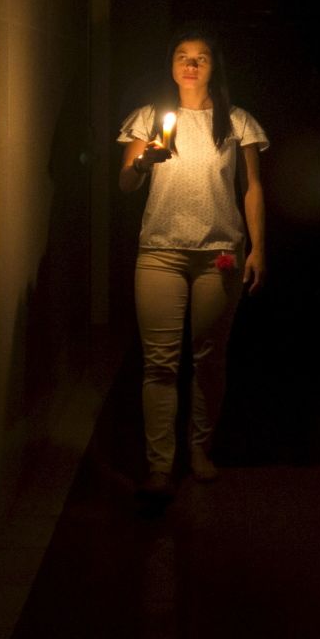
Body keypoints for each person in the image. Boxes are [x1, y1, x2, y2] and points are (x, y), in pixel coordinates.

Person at [118, 26, 268, 496]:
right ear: (170, 65)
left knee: (209, 358)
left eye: (201, 57)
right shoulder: (147, 118)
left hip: (219, 253)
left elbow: (252, 188)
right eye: (182, 56)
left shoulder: (237, 120)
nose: (190, 64)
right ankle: (160, 464)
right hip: (160, 252)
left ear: (213, 67)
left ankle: (199, 447)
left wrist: (259, 247)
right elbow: (126, 183)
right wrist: (143, 163)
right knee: (160, 363)